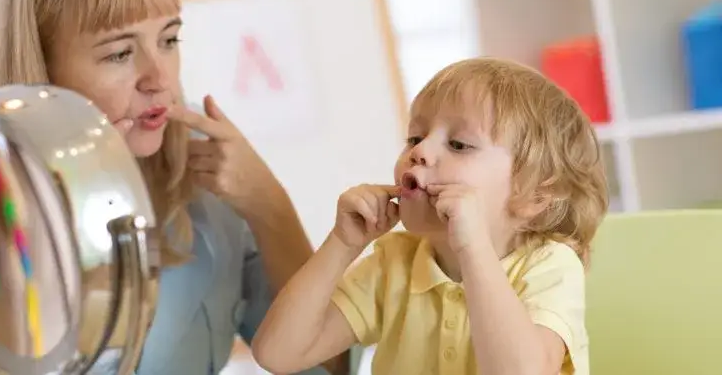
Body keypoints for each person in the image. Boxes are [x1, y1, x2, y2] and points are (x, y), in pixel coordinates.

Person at [0, 0, 346, 374]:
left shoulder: (208, 169)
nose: (159, 79)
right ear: (41, 70)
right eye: (119, 53)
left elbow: (327, 367)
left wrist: (268, 204)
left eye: (169, 40)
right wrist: (22, 259)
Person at [251, 57, 609, 375]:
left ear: (534, 196)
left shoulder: (549, 266)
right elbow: (277, 354)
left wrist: (473, 249)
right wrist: (342, 244)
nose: (420, 151)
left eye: (459, 144)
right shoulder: (394, 263)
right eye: (414, 137)